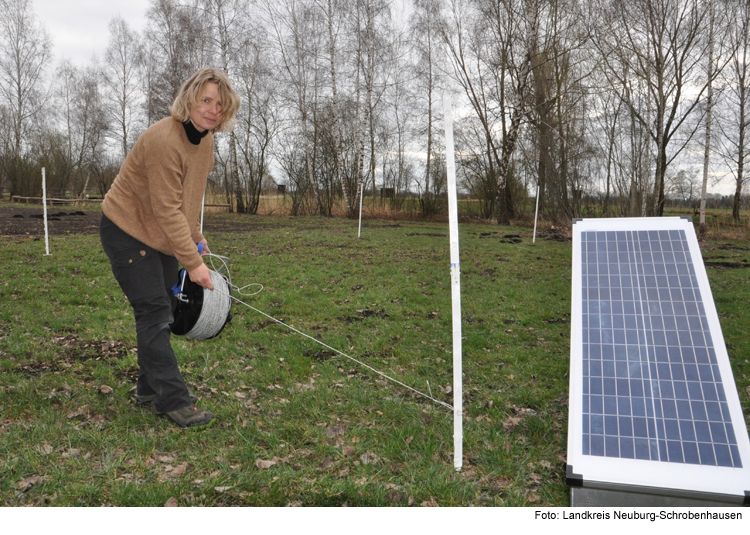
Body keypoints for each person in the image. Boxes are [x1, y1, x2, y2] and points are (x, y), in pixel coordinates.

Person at [100, 68, 241, 429]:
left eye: (220, 105)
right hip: (127, 229)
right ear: (190, 99)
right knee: (155, 311)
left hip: (160, 234)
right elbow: (165, 207)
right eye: (206, 100)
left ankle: (148, 391)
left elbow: (187, 199)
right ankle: (174, 401)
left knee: (160, 311)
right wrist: (192, 263)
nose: (213, 110)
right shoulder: (165, 139)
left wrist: (196, 235)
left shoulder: (205, 142)